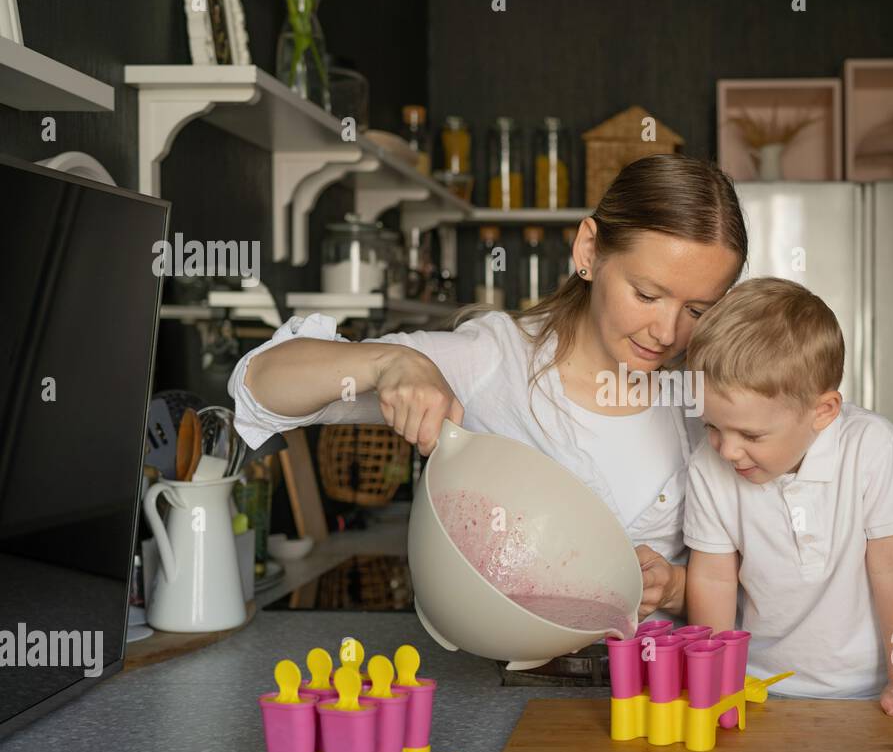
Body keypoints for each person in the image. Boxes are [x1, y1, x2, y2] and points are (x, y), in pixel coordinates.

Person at [228, 154, 747, 620]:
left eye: (698, 310)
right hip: (506, 697)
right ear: (589, 249)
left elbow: (772, 576)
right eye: (647, 294)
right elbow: (260, 387)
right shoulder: (493, 360)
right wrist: (391, 361)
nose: (667, 332)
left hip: (663, 700)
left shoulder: (714, 396)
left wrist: (677, 588)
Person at [682, 278, 893, 723]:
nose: (727, 450)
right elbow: (712, 580)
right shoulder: (709, 466)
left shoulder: (875, 447)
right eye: (712, 426)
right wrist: (716, 680)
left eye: (750, 434)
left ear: (822, 411)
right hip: (756, 689)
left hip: (872, 695)